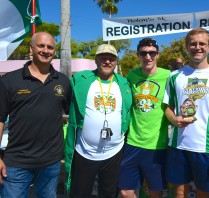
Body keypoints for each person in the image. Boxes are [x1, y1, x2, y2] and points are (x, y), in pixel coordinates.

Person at [0, 32, 71, 197]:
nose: (46, 50)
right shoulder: (9, 81)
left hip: (51, 162)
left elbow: (67, 113)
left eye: (50, 47)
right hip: (17, 162)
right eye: (41, 46)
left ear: (54, 51)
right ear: (31, 48)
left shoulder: (63, 82)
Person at [163, 27, 209, 198]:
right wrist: (174, 119)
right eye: (193, 44)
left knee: (204, 193)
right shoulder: (175, 76)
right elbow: (168, 108)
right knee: (178, 191)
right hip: (178, 145)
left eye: (202, 44)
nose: (197, 47)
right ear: (187, 47)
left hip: (206, 148)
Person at [64, 44, 132, 197]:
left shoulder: (124, 83)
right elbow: (66, 103)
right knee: (79, 193)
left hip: (114, 152)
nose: (107, 61)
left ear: (116, 61)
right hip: (85, 151)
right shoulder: (81, 80)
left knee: (108, 193)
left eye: (111, 58)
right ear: (96, 60)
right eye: (103, 57)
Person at [118, 38, 170, 198]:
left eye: (152, 53)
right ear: (138, 55)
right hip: (133, 143)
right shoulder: (132, 75)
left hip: (157, 146)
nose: (148, 57)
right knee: (126, 191)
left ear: (158, 54)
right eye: (143, 53)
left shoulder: (169, 76)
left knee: (155, 192)